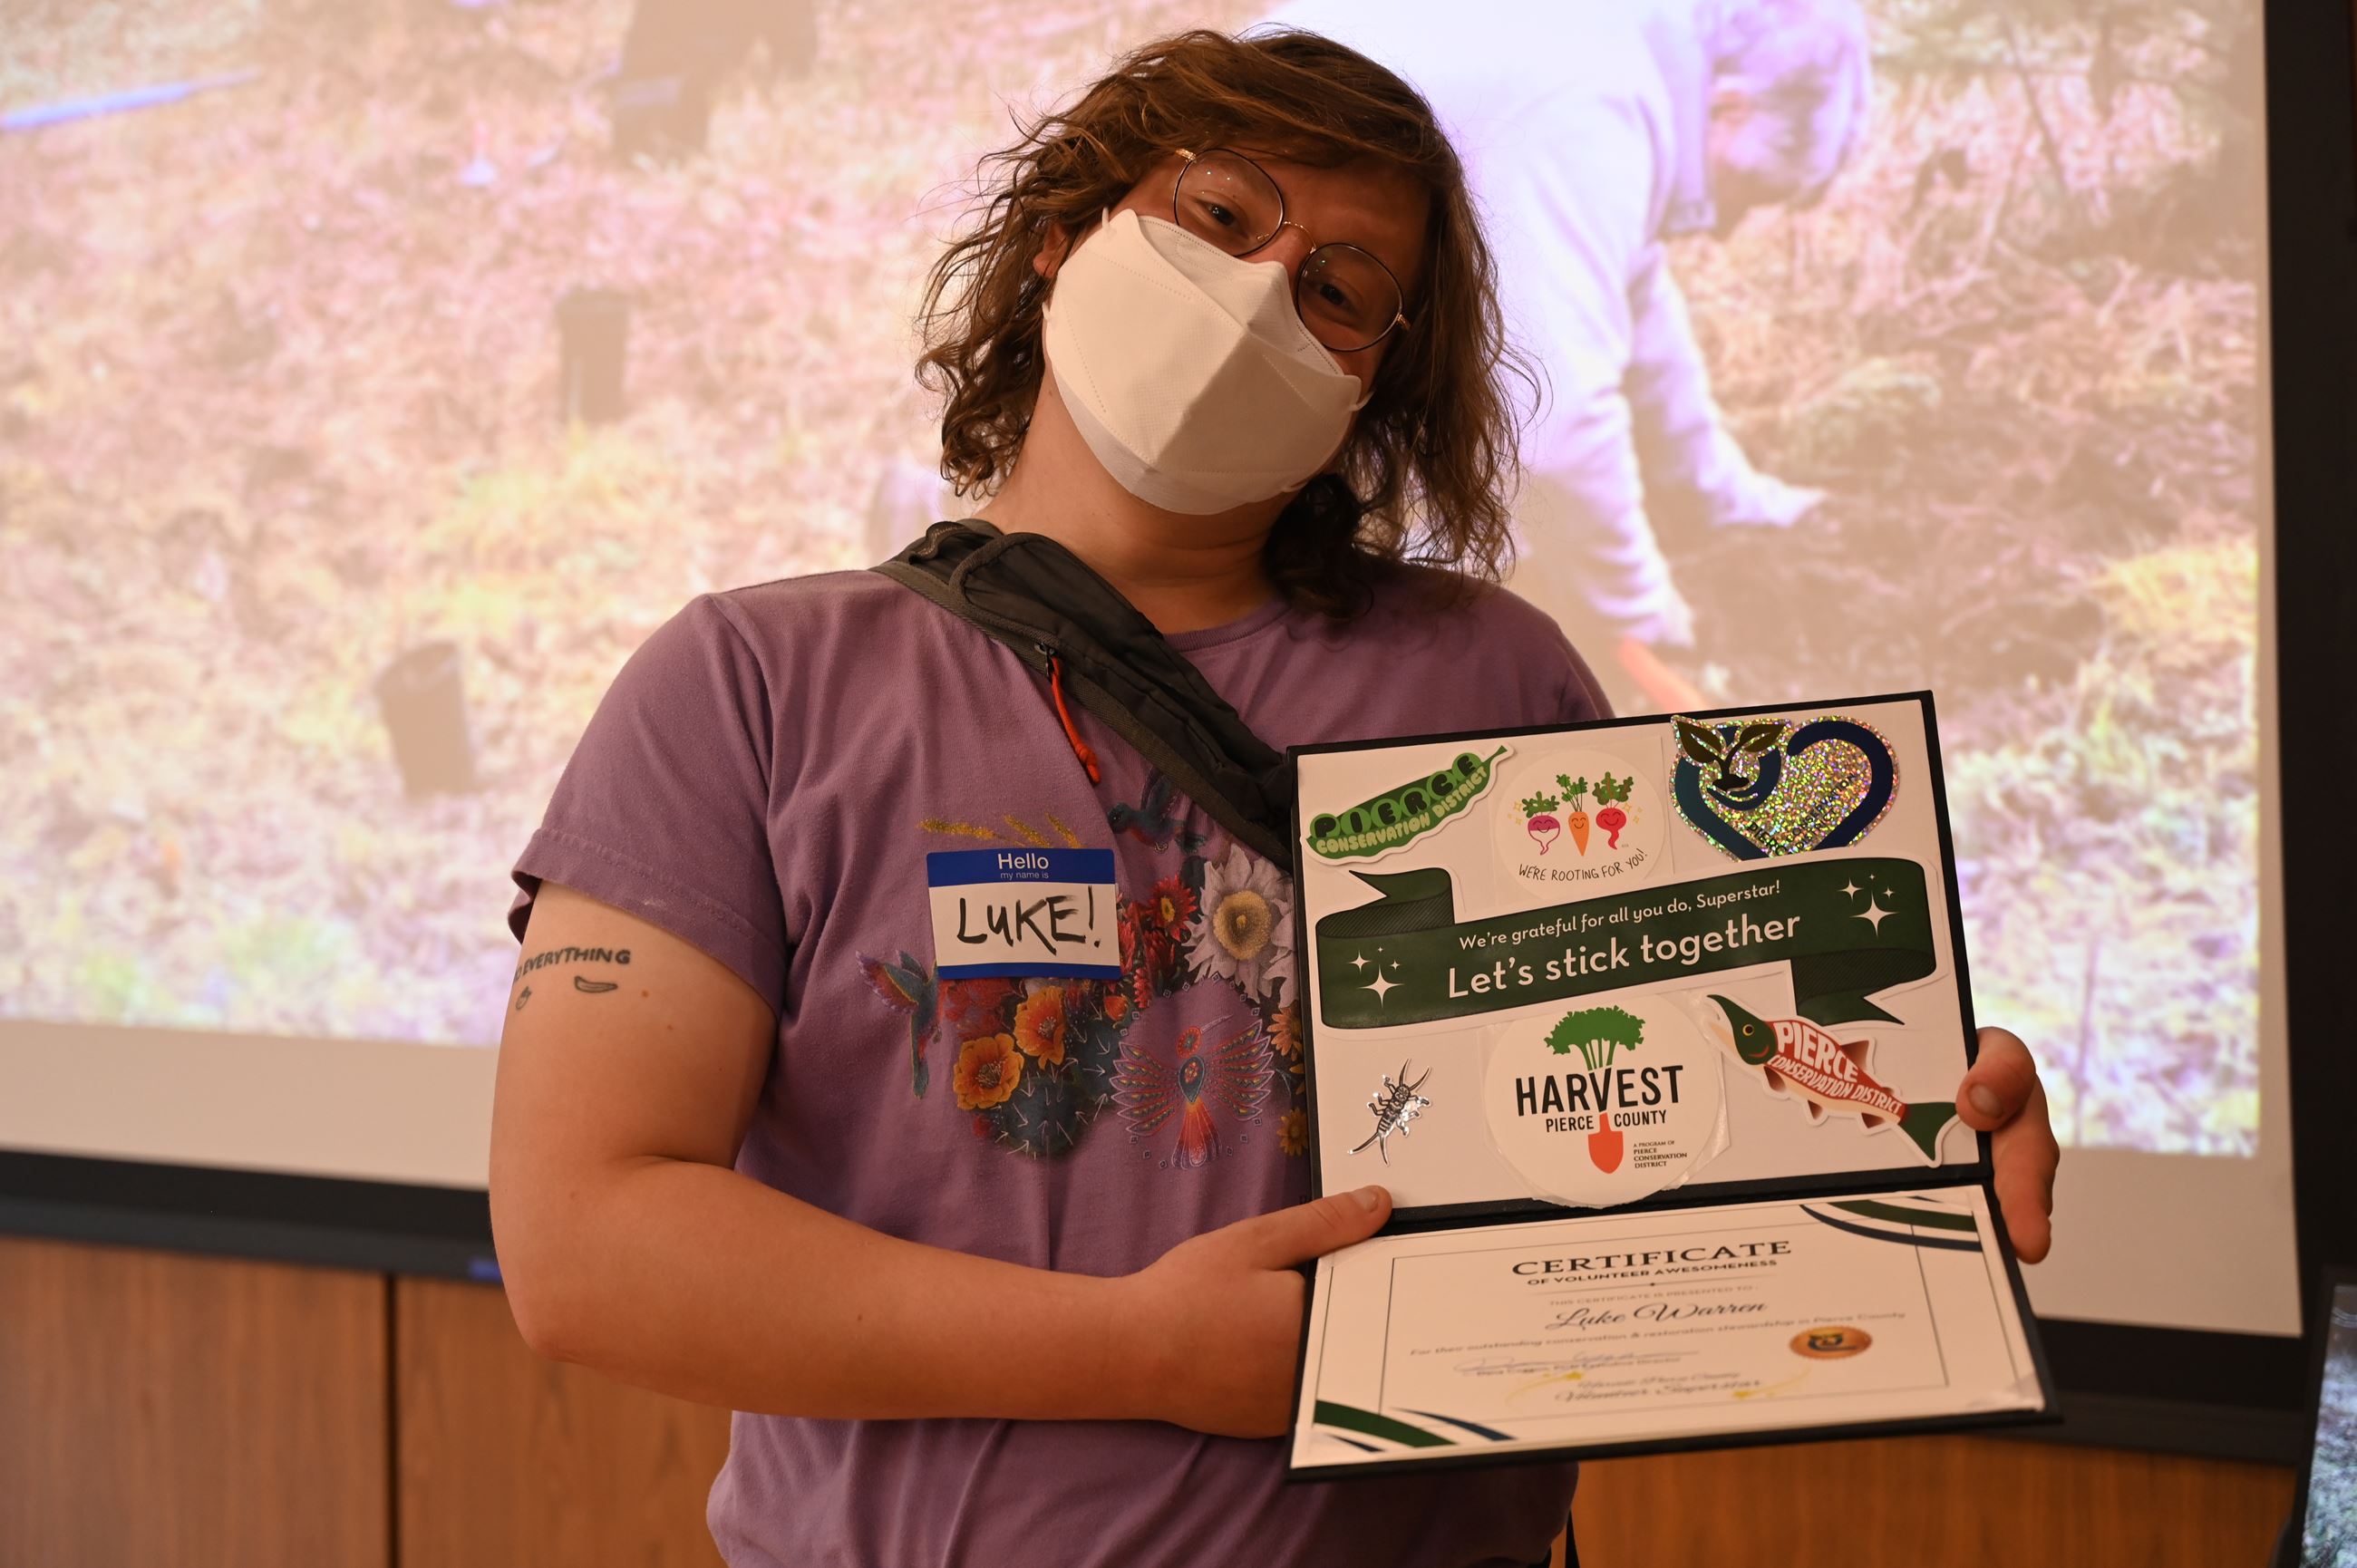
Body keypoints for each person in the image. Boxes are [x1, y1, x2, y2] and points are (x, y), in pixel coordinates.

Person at [494, 27, 2059, 1568]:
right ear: (1061, 236)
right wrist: (1136, 1350)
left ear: (1373, 388)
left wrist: (1905, 1131)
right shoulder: (751, 686)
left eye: (1339, 289)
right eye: (1223, 215)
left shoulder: (1494, 683)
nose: (1261, 292)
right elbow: (587, 1244)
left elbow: (1658, 1113)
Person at [1259, 0, 1872, 711]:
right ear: (1729, 110)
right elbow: (1558, 427)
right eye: (1755, 194)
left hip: (1304, 303)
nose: (1731, 228)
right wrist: (1644, 614)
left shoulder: (1619, 57)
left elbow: (1642, 322)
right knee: (1481, 558)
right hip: (1258, 347)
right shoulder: (1593, 110)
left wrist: (1726, 500)